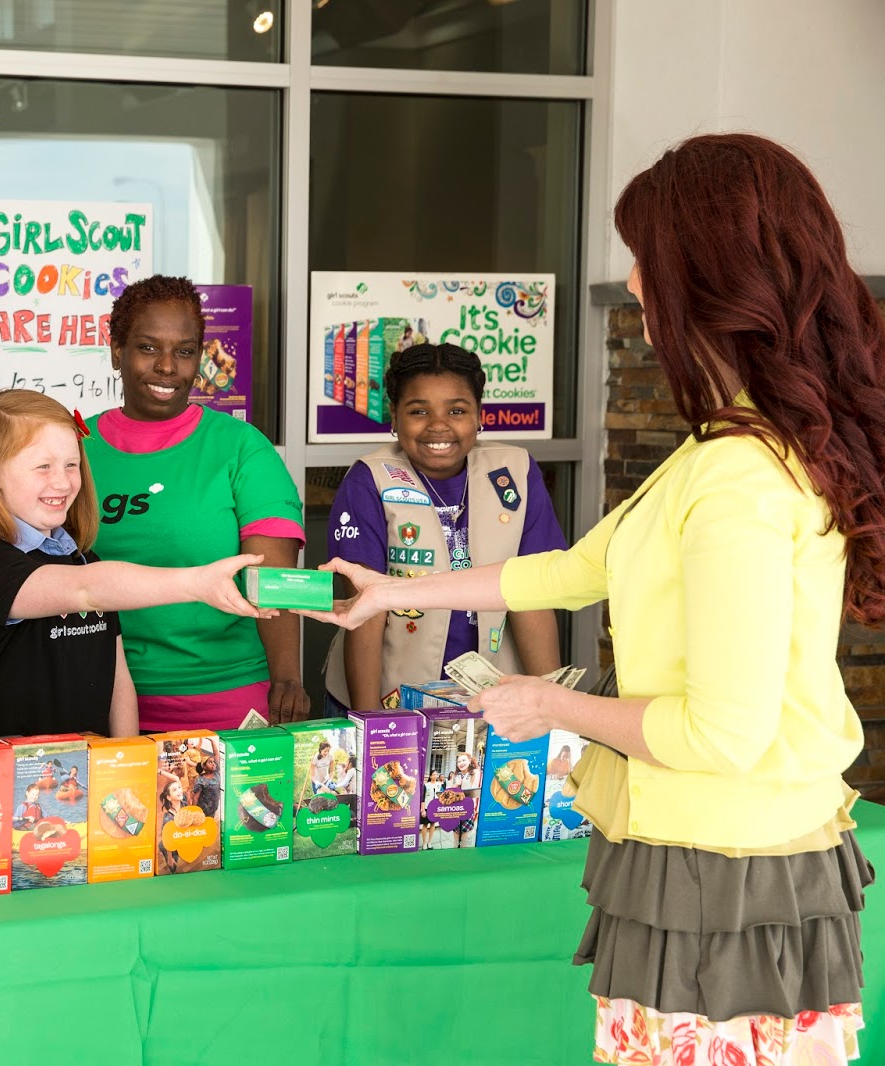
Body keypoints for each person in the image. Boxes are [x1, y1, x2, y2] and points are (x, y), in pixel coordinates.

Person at [302, 133, 882, 1064]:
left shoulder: (739, 478)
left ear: (706, 277)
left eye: (648, 262)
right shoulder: (717, 448)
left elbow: (722, 734)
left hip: (726, 867)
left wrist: (548, 705)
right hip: (699, 846)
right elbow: (569, 571)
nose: (639, 290)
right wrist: (389, 593)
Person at [0, 389, 270, 740]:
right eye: (43, 467)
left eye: (72, 465)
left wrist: (126, 761)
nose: (63, 482)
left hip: (84, 780)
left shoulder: (84, 559)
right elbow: (87, 589)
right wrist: (196, 583)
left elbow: (119, 681)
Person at [84, 275, 309, 731]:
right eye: (148, 348)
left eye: (184, 351)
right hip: (97, 696)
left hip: (226, 699)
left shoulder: (242, 448)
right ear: (116, 351)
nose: (167, 367)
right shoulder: (74, 448)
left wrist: (287, 678)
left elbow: (274, 577)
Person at [323, 342, 566, 712]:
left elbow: (530, 597)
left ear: (479, 416)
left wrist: (551, 709)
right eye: (418, 411)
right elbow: (365, 614)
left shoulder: (515, 472)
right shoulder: (369, 479)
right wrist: (368, 722)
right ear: (394, 417)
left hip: (492, 701)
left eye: (457, 410)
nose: (439, 425)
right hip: (390, 696)